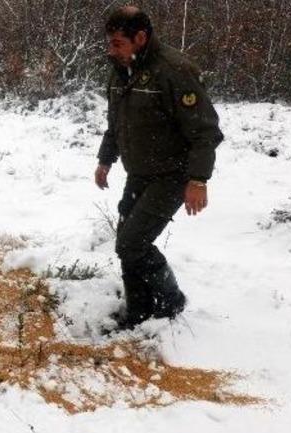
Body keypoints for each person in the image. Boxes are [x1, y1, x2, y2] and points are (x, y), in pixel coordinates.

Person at [95, 6, 224, 330]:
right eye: (109, 42)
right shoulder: (120, 70)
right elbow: (116, 123)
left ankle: (171, 300)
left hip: (172, 175)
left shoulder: (174, 70)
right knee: (126, 241)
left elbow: (205, 131)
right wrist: (105, 160)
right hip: (139, 172)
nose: (111, 50)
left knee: (131, 243)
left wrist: (198, 179)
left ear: (140, 38)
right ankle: (137, 312)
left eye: (117, 43)